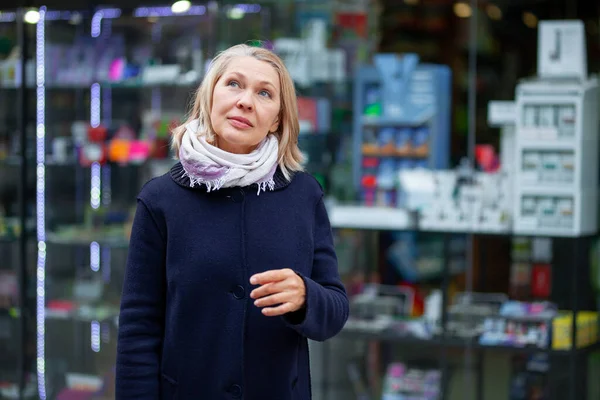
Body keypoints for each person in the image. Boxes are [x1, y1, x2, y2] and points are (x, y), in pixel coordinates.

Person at [115, 43, 349, 400]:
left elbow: (335, 311)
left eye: (265, 93)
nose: (245, 101)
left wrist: (306, 296)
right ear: (210, 95)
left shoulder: (304, 196)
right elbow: (138, 327)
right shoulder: (160, 200)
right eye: (234, 84)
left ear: (278, 119)